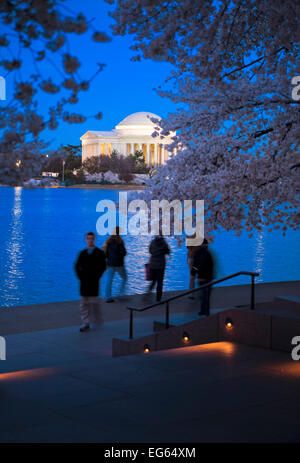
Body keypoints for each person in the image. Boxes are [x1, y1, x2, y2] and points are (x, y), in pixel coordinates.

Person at [74, 231, 106, 332]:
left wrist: (97, 276)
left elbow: (103, 266)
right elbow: (76, 266)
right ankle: (86, 323)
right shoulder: (82, 253)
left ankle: (97, 320)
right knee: (84, 303)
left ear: (94, 239)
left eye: (91, 238)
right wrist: (80, 277)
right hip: (84, 282)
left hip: (94, 281)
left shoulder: (99, 253)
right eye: (88, 238)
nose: (90, 240)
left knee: (94, 302)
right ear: (86, 240)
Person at [191, 238, 215, 315]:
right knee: (206, 295)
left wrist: (193, 273)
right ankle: (205, 311)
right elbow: (209, 265)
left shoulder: (197, 253)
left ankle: (203, 310)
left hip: (200, 277)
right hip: (207, 277)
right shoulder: (207, 254)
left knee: (203, 294)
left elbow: (195, 265)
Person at [103, 226, 127, 303]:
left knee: (109, 281)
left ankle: (108, 297)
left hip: (110, 264)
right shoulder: (120, 242)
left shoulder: (108, 242)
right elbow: (123, 253)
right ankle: (120, 293)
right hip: (119, 264)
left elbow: (105, 254)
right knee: (124, 278)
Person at [147, 233, 170, 302]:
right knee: (160, 282)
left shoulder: (152, 242)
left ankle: (148, 292)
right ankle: (158, 299)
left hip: (153, 264)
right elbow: (168, 251)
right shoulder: (164, 243)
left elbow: (150, 251)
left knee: (153, 280)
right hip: (160, 265)